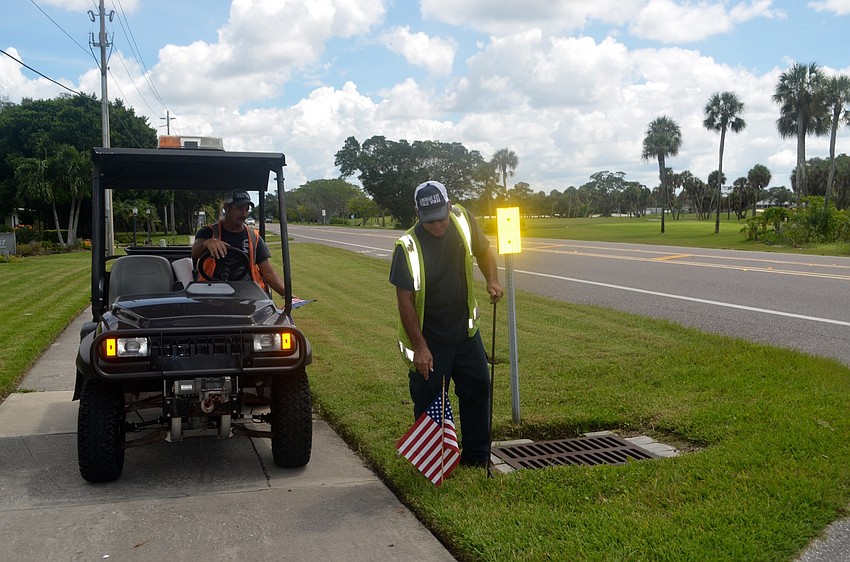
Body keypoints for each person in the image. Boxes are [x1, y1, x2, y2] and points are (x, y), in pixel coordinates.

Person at [389, 180, 503, 468]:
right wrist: (420, 347)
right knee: (428, 398)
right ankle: (434, 460)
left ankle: (477, 456)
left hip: (466, 332)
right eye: (430, 220)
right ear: (417, 212)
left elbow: (484, 250)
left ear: (449, 206)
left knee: (478, 388)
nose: (437, 224)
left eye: (441, 217)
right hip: (430, 338)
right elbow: (405, 301)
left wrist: (492, 280)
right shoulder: (408, 247)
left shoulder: (464, 220)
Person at [192, 189, 286, 296]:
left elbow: (268, 273)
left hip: (248, 294)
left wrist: (288, 295)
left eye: (246, 209)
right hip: (211, 292)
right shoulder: (208, 232)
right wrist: (207, 243)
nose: (244, 214)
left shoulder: (253, 237)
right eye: (240, 209)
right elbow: (195, 251)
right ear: (226, 208)